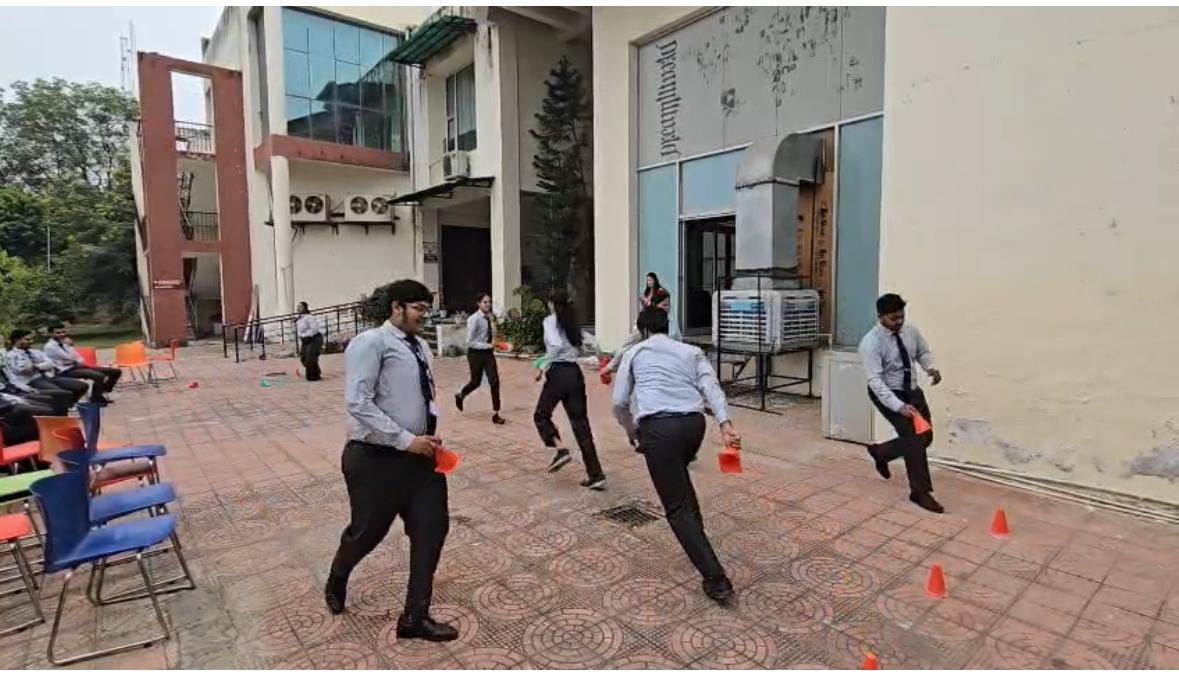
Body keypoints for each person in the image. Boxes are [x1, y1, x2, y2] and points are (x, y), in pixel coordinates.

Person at [324, 279, 457, 642]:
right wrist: (405, 439)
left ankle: (415, 616)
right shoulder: (371, 343)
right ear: (396, 307)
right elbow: (358, 402)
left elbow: (423, 395)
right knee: (368, 532)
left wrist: (427, 431)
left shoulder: (420, 347)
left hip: (421, 457)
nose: (424, 316)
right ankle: (338, 575)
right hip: (375, 459)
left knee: (432, 529)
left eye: (427, 309)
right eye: (418, 309)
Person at [611, 305, 740, 604]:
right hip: (694, 426)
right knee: (680, 483)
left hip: (659, 431)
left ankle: (716, 579)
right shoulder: (690, 351)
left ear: (643, 330)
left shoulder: (635, 352)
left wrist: (632, 431)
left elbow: (619, 403)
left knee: (676, 507)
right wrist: (726, 425)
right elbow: (712, 388)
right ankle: (698, 537)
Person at [859, 293, 944, 514]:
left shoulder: (911, 332)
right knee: (914, 440)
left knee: (925, 436)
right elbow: (875, 381)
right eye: (893, 318)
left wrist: (930, 368)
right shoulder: (871, 343)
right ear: (880, 317)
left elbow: (922, 352)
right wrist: (898, 406)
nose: (899, 322)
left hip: (911, 390)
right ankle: (920, 492)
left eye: (901, 317)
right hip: (888, 393)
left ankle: (881, 453)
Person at [533, 289, 606, 491]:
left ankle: (560, 450)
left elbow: (555, 345)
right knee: (581, 425)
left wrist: (543, 366)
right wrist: (601, 359)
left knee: (541, 415)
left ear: (551, 304)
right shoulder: (572, 321)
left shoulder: (550, 321)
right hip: (574, 374)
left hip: (558, 374)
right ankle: (596, 475)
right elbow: (593, 342)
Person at [455, 292, 504, 425]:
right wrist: (488, 345)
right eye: (485, 302)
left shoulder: (490, 317)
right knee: (476, 382)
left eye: (489, 302)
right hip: (475, 354)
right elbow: (469, 342)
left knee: (494, 381)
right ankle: (460, 395)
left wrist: (497, 342)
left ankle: (496, 413)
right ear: (478, 304)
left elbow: (492, 334)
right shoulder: (474, 319)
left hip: (488, 353)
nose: (488, 304)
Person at [6, 330, 87, 408]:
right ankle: (61, 410)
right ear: (16, 340)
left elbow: (51, 363)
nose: (31, 341)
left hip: (48, 377)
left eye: (32, 339)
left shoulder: (35, 352)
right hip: (32, 381)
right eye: (27, 339)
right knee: (62, 393)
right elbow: (22, 370)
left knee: (82, 386)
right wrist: (41, 365)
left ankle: (68, 405)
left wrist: (36, 367)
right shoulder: (11, 355)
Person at [44, 325, 122, 405]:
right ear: (51, 334)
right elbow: (70, 357)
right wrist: (71, 346)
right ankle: (96, 398)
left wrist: (76, 360)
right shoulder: (50, 347)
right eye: (58, 333)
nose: (62, 334)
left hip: (76, 367)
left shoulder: (64, 343)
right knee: (99, 376)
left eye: (63, 332)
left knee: (115, 371)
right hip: (64, 371)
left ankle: (102, 390)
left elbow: (78, 358)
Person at [296, 302, 324, 382]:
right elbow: (299, 330)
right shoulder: (299, 319)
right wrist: (301, 336)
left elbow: (314, 329)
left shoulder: (310, 317)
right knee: (303, 357)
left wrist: (305, 335)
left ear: (305, 308)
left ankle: (313, 376)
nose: (298, 308)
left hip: (313, 339)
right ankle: (316, 371)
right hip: (305, 340)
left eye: (300, 306)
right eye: (297, 307)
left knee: (310, 358)